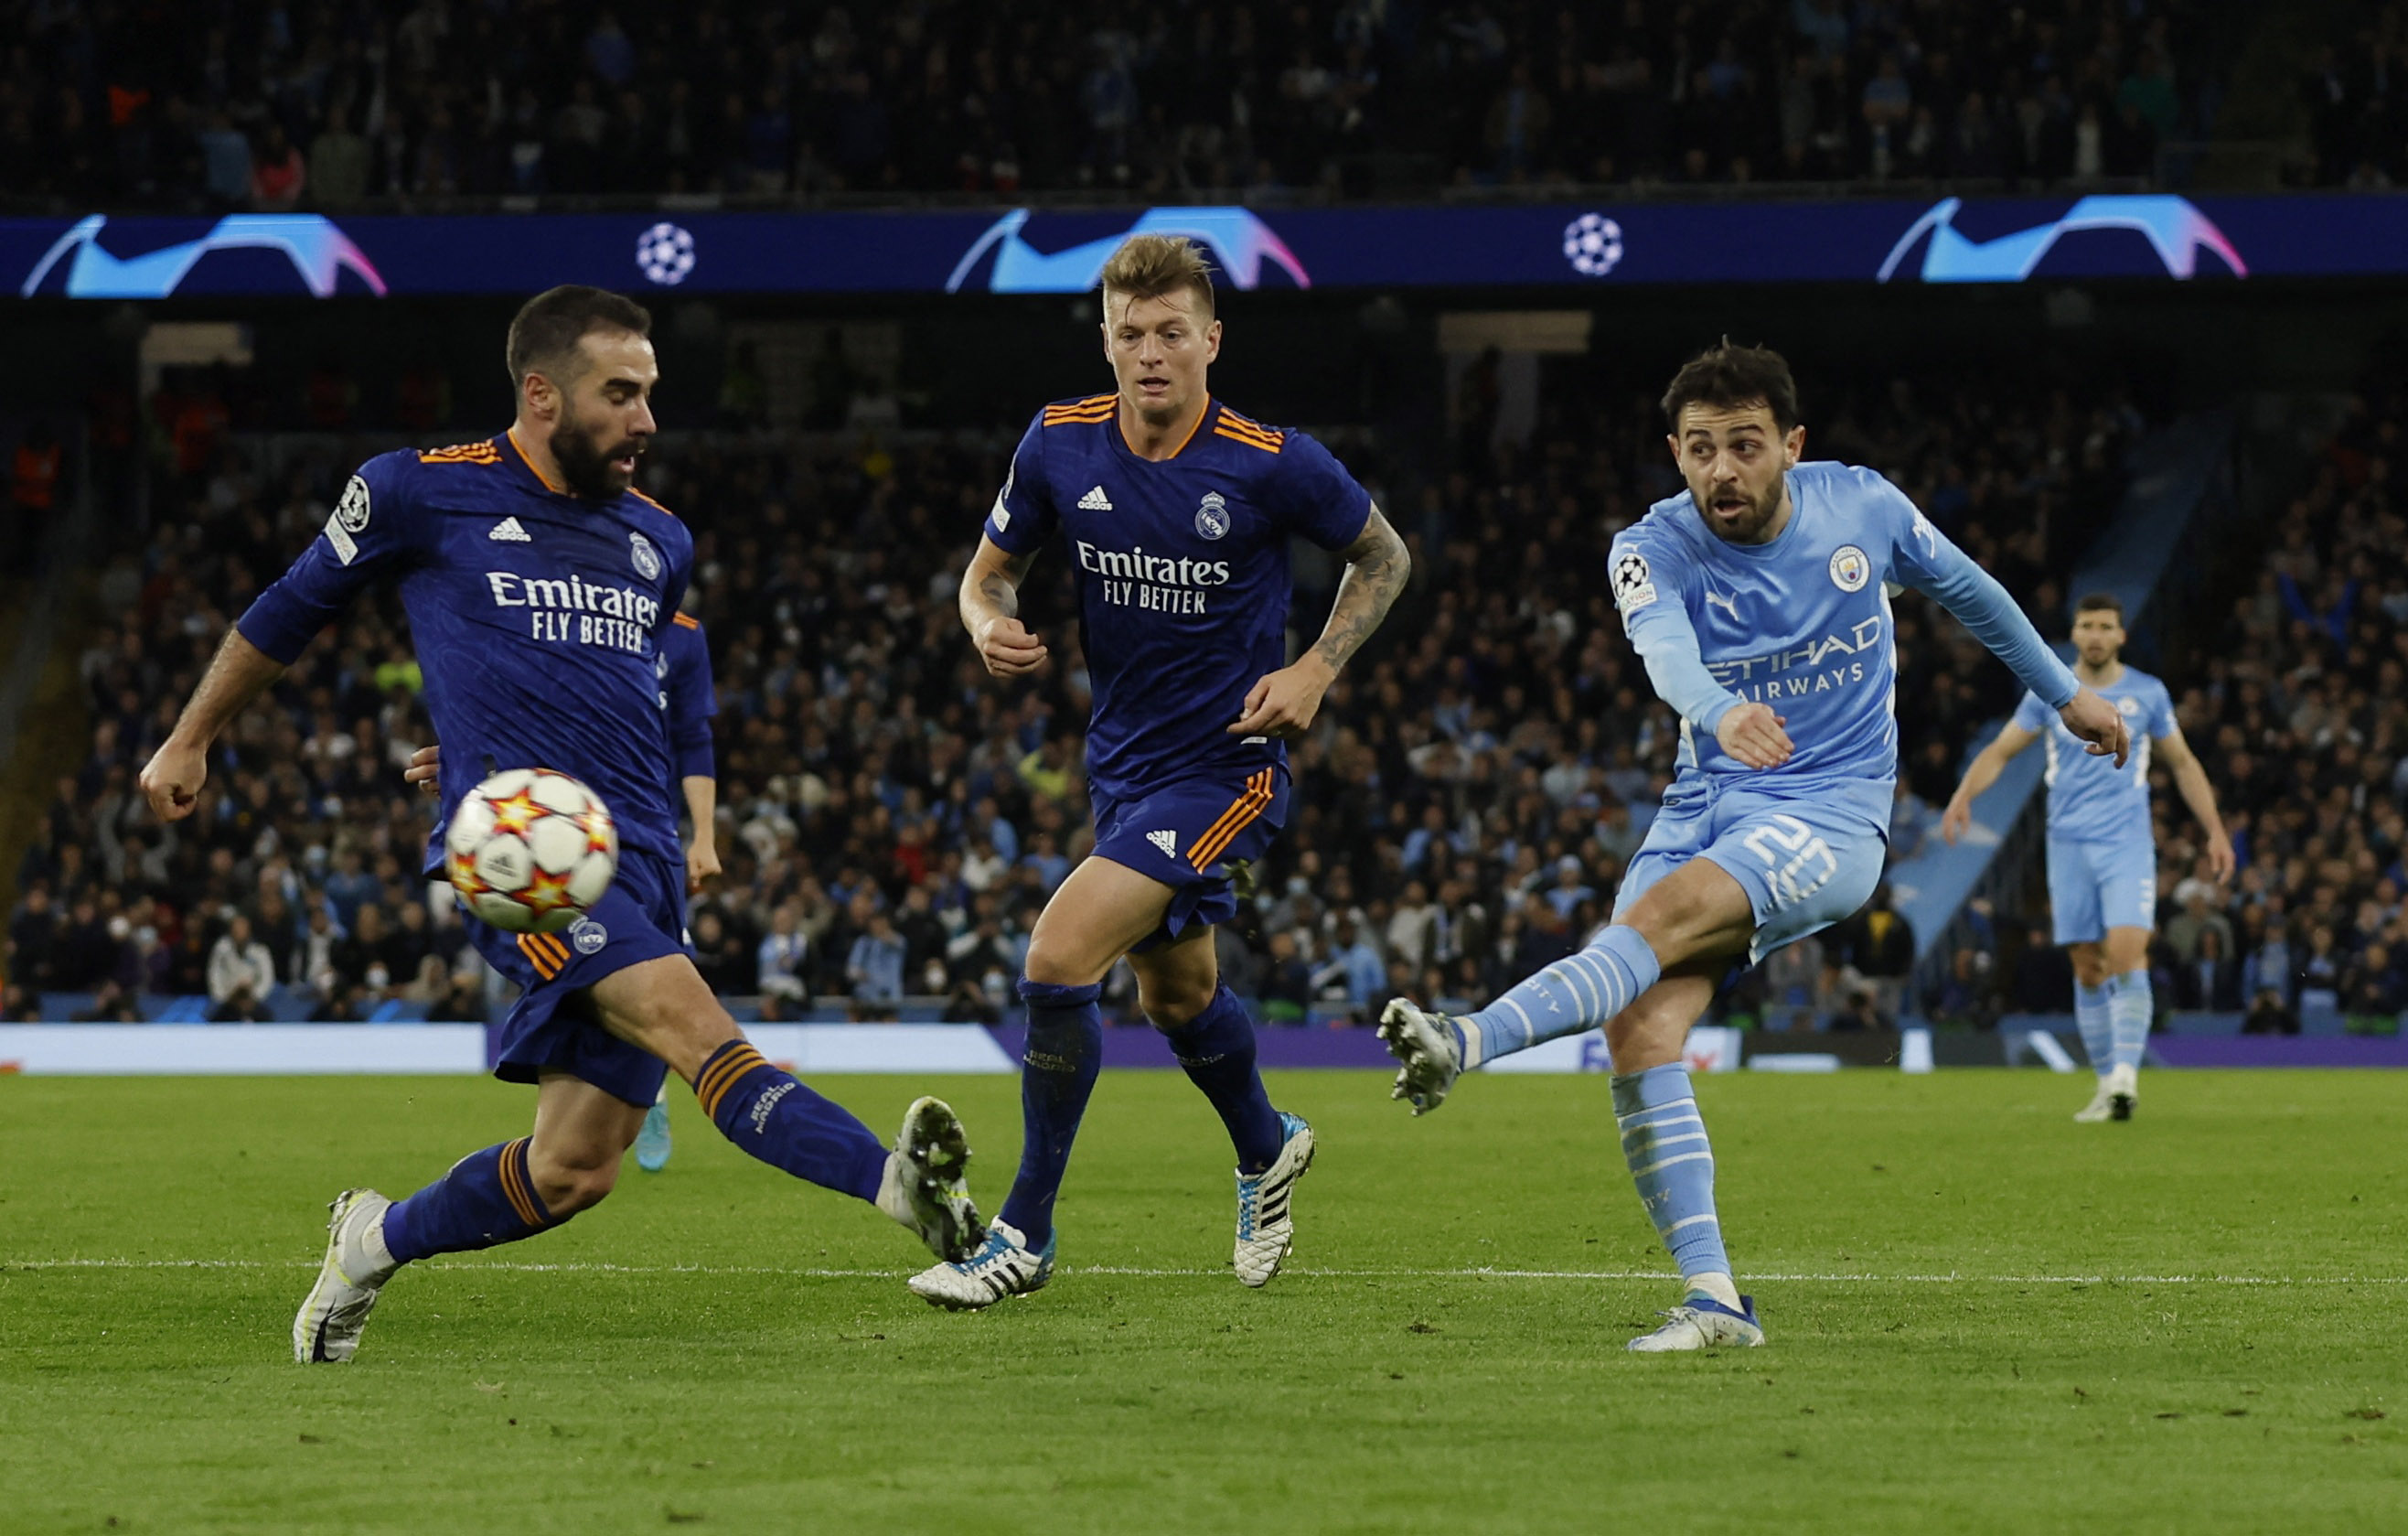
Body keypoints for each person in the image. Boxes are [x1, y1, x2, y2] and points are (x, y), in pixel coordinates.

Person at [138, 286, 981, 1366]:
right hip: (536, 871)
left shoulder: (657, 538)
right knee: (700, 1032)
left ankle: (368, 1241)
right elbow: (292, 605)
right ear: (540, 394)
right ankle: (896, 1185)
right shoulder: (415, 491)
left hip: (646, 862)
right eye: (620, 395)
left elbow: (616, 684)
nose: (647, 421)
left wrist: (481, 725)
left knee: (573, 1169)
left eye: (649, 394)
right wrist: (190, 736)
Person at [1375, 341, 2127, 1351]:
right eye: (1698, 450)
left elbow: (1975, 594)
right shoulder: (1648, 544)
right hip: (1701, 802)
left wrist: (2066, 692)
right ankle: (1714, 1298)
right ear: (1674, 454)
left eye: (1742, 445)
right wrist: (1718, 710)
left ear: (1789, 445)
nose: (1720, 470)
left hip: (1828, 812)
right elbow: (1663, 651)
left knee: (1652, 921)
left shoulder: (1859, 506)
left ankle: (1466, 1038)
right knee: (1638, 1027)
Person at [916, 233, 1409, 1308]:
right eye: (1129, 331)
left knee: (1057, 956)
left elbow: (1384, 553)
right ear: (1105, 338)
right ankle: (1266, 1145)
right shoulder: (1057, 445)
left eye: (1170, 332)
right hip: (1123, 771)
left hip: (1228, 767)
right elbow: (984, 578)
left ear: (1210, 341)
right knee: (1178, 993)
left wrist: (1317, 666)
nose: (1149, 352)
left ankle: (1022, 1233)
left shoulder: (1272, 459)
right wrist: (983, 624)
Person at [1941, 592, 2231, 1122]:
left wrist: (2214, 830)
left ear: (2121, 635)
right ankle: (2106, 1086)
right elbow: (2002, 750)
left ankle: (2125, 1076)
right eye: (2087, 625)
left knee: (2125, 955)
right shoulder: (2052, 693)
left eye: (2105, 626)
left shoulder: (2148, 694)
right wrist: (1964, 795)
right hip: (2067, 843)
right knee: (2087, 967)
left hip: (2126, 844)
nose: (2096, 635)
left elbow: (2184, 764)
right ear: (2074, 634)